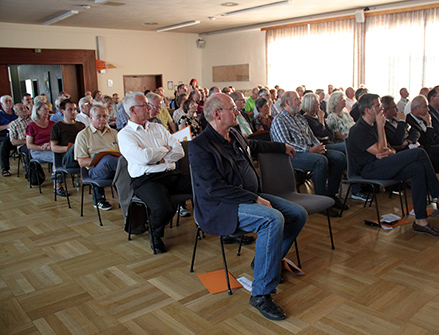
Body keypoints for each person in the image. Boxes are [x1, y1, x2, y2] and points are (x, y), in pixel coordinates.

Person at [189, 93, 307, 321]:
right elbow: (214, 188)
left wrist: (281, 147)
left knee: (297, 214)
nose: (238, 112)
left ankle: (263, 262)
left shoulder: (232, 133)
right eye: (232, 108)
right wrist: (252, 199)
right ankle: (261, 293)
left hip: (248, 195)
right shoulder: (200, 146)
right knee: (273, 219)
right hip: (222, 206)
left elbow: (253, 143)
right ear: (216, 114)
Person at [348, 93, 439, 238]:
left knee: (417, 169)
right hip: (370, 170)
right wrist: (381, 129)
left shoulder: (374, 125)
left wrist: (391, 152)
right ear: (368, 110)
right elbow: (381, 151)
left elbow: (389, 149)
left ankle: (421, 221)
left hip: (382, 164)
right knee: (419, 153)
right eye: (377, 106)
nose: (381, 109)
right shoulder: (358, 130)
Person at [118, 92, 191, 254]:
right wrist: (165, 150)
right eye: (144, 105)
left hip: (170, 174)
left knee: (203, 184)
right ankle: (155, 232)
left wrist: (158, 157)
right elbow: (143, 158)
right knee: (162, 208)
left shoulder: (157, 127)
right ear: (132, 110)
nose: (149, 108)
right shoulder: (125, 134)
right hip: (146, 180)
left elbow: (179, 151)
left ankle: (212, 224)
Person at [270, 91, 347, 211]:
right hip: (291, 155)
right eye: (296, 99)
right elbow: (285, 144)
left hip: (309, 150)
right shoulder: (279, 120)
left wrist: (319, 146)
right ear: (287, 102)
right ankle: (321, 202)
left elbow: (311, 136)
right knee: (320, 161)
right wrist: (310, 149)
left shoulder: (299, 117)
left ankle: (331, 196)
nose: (300, 101)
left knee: (339, 157)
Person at [74, 105, 119, 210]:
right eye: (98, 116)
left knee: (118, 161)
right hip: (95, 170)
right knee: (107, 159)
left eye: (105, 116)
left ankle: (128, 198)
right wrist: (99, 159)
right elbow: (81, 162)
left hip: (115, 168)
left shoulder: (114, 133)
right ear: (91, 117)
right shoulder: (83, 135)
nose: (102, 119)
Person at [26, 100, 67, 195]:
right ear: (37, 111)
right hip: (37, 151)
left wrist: (50, 143)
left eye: (48, 109)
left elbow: (57, 138)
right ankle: (57, 186)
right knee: (57, 157)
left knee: (63, 154)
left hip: (51, 148)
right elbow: (29, 145)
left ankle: (60, 178)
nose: (47, 111)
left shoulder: (52, 124)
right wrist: (42, 148)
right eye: (44, 109)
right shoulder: (32, 125)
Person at [50, 99, 85, 169]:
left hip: (81, 155)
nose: (73, 112)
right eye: (70, 110)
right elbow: (53, 147)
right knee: (75, 146)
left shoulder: (81, 125)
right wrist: (70, 148)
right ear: (62, 111)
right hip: (67, 158)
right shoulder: (57, 127)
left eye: (75, 109)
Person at [0, 95, 17, 176]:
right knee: (4, 145)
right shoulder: (0, 114)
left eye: (10, 101)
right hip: (5, 135)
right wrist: (7, 126)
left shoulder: (16, 113)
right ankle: (5, 169)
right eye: (6, 101)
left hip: (18, 134)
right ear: (1, 104)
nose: (8, 103)